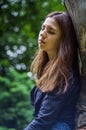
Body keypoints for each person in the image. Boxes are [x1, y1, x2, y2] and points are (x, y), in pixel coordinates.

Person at [24, 11, 81, 130]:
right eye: (43, 28)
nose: (42, 34)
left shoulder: (64, 75)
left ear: (63, 41)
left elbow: (44, 120)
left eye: (51, 32)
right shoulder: (47, 68)